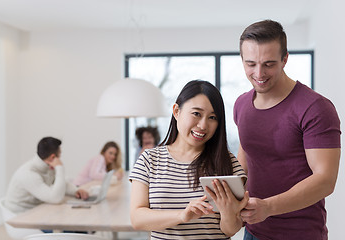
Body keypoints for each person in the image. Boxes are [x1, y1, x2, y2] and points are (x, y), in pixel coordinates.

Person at [234, 20, 341, 240]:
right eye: (251, 64)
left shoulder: (315, 108)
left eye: (269, 64)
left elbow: (325, 180)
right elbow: (245, 158)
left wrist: (268, 207)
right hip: (253, 232)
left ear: (285, 59)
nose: (259, 73)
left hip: (301, 234)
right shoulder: (241, 105)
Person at [129, 80, 249, 239]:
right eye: (196, 114)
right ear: (176, 111)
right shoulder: (149, 160)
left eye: (212, 117)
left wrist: (228, 212)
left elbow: (231, 229)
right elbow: (137, 219)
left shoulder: (228, 162)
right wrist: (182, 215)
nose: (203, 125)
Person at [5, 137, 89, 214]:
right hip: (21, 217)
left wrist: (75, 191)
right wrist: (60, 167)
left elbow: (60, 183)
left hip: (36, 210)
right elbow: (56, 199)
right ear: (53, 157)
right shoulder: (29, 174)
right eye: (59, 155)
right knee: (69, 218)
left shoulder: (47, 166)